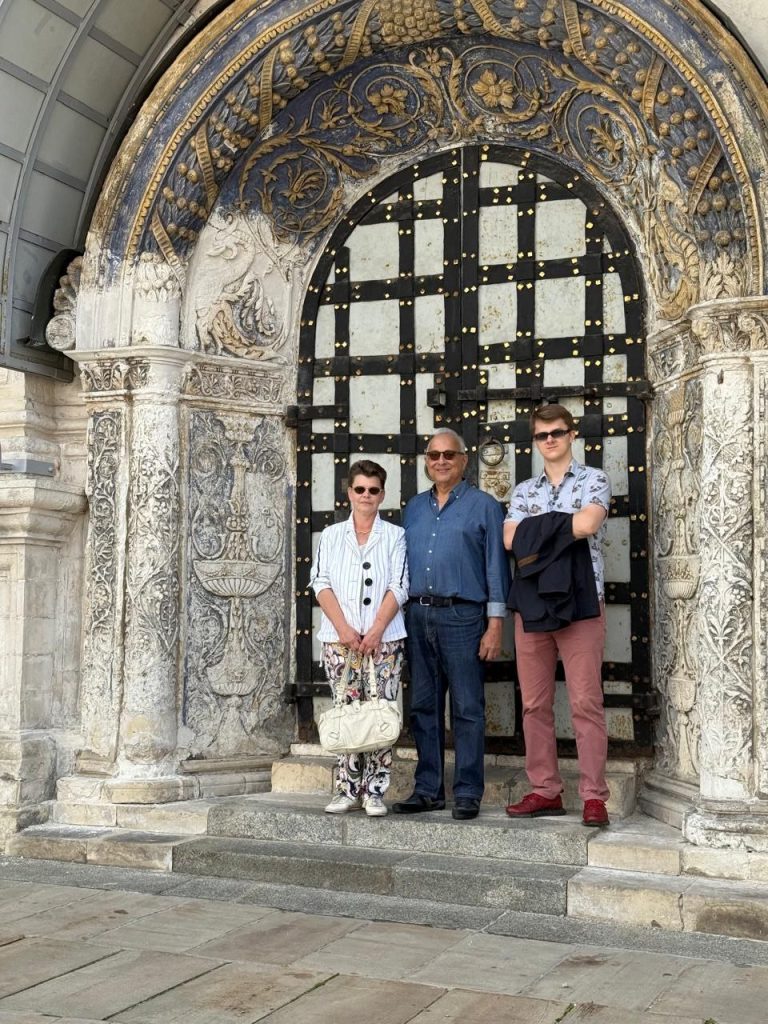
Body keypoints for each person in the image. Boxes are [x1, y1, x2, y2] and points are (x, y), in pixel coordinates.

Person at [504, 404, 612, 827]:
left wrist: (539, 530)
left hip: (583, 600)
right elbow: (511, 539)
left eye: (556, 432)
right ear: (534, 441)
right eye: (541, 434)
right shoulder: (523, 490)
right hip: (531, 602)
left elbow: (589, 524)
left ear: (571, 435)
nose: (549, 440)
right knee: (534, 704)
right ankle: (545, 791)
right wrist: (560, 525)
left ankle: (593, 796)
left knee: (586, 702)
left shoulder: (594, 479)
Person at [394, 429, 510, 821]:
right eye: (433, 455)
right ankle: (427, 790)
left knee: (467, 707)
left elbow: (497, 567)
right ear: (426, 461)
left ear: (464, 460)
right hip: (417, 615)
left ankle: (467, 791)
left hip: (463, 617)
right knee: (423, 707)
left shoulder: (484, 506)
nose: (440, 461)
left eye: (449, 455)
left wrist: (495, 624)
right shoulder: (413, 508)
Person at [309, 460, 408, 817]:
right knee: (347, 711)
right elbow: (321, 583)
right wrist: (345, 630)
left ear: (383, 494)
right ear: (349, 492)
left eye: (374, 490)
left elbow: (399, 585)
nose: (366, 496)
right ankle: (346, 789)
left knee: (380, 712)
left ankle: (375, 791)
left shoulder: (395, 535)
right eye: (360, 489)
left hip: (385, 642)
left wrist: (377, 629)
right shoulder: (332, 535)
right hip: (340, 641)